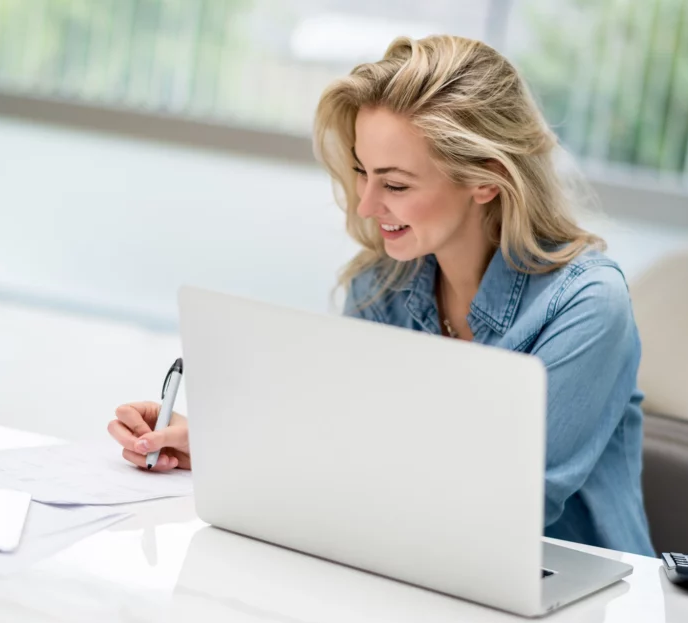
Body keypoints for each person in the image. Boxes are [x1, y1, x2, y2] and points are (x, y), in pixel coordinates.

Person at [107, 35, 655, 556]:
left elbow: (498, 511)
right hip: (410, 566)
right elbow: (347, 449)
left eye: (395, 184)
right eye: (361, 173)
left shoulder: (587, 305)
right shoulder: (383, 283)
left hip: (582, 596)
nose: (367, 206)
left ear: (486, 180)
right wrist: (217, 445)